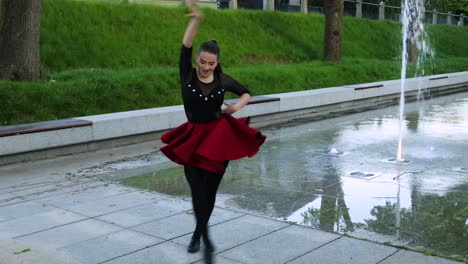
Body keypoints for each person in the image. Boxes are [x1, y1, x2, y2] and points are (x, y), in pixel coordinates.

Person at [159, 1, 266, 263]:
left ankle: (197, 233)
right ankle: (206, 239)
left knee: (209, 193)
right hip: (193, 140)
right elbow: (185, 46)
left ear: (217, 63)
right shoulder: (186, 76)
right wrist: (196, 20)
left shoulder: (222, 80)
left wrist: (236, 108)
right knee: (197, 191)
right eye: (202, 61)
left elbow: (246, 91)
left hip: (219, 139)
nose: (205, 66)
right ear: (197, 60)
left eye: (210, 63)